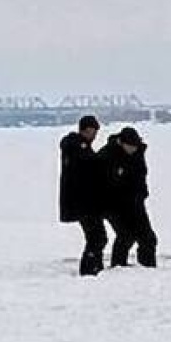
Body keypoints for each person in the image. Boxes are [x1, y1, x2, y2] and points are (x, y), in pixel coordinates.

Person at [99, 127, 158, 268]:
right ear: (121, 142)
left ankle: (148, 268)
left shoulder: (138, 153)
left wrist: (141, 194)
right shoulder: (107, 155)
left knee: (148, 238)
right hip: (112, 205)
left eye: (135, 146)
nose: (133, 149)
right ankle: (118, 266)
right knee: (126, 236)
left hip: (136, 201)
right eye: (130, 146)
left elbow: (140, 177)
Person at [59, 115, 108, 276]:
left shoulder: (81, 147)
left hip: (87, 202)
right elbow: (87, 170)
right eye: (91, 131)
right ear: (83, 130)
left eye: (95, 132)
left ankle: (95, 267)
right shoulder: (77, 147)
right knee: (97, 237)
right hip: (83, 202)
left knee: (97, 237)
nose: (94, 135)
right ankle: (89, 269)